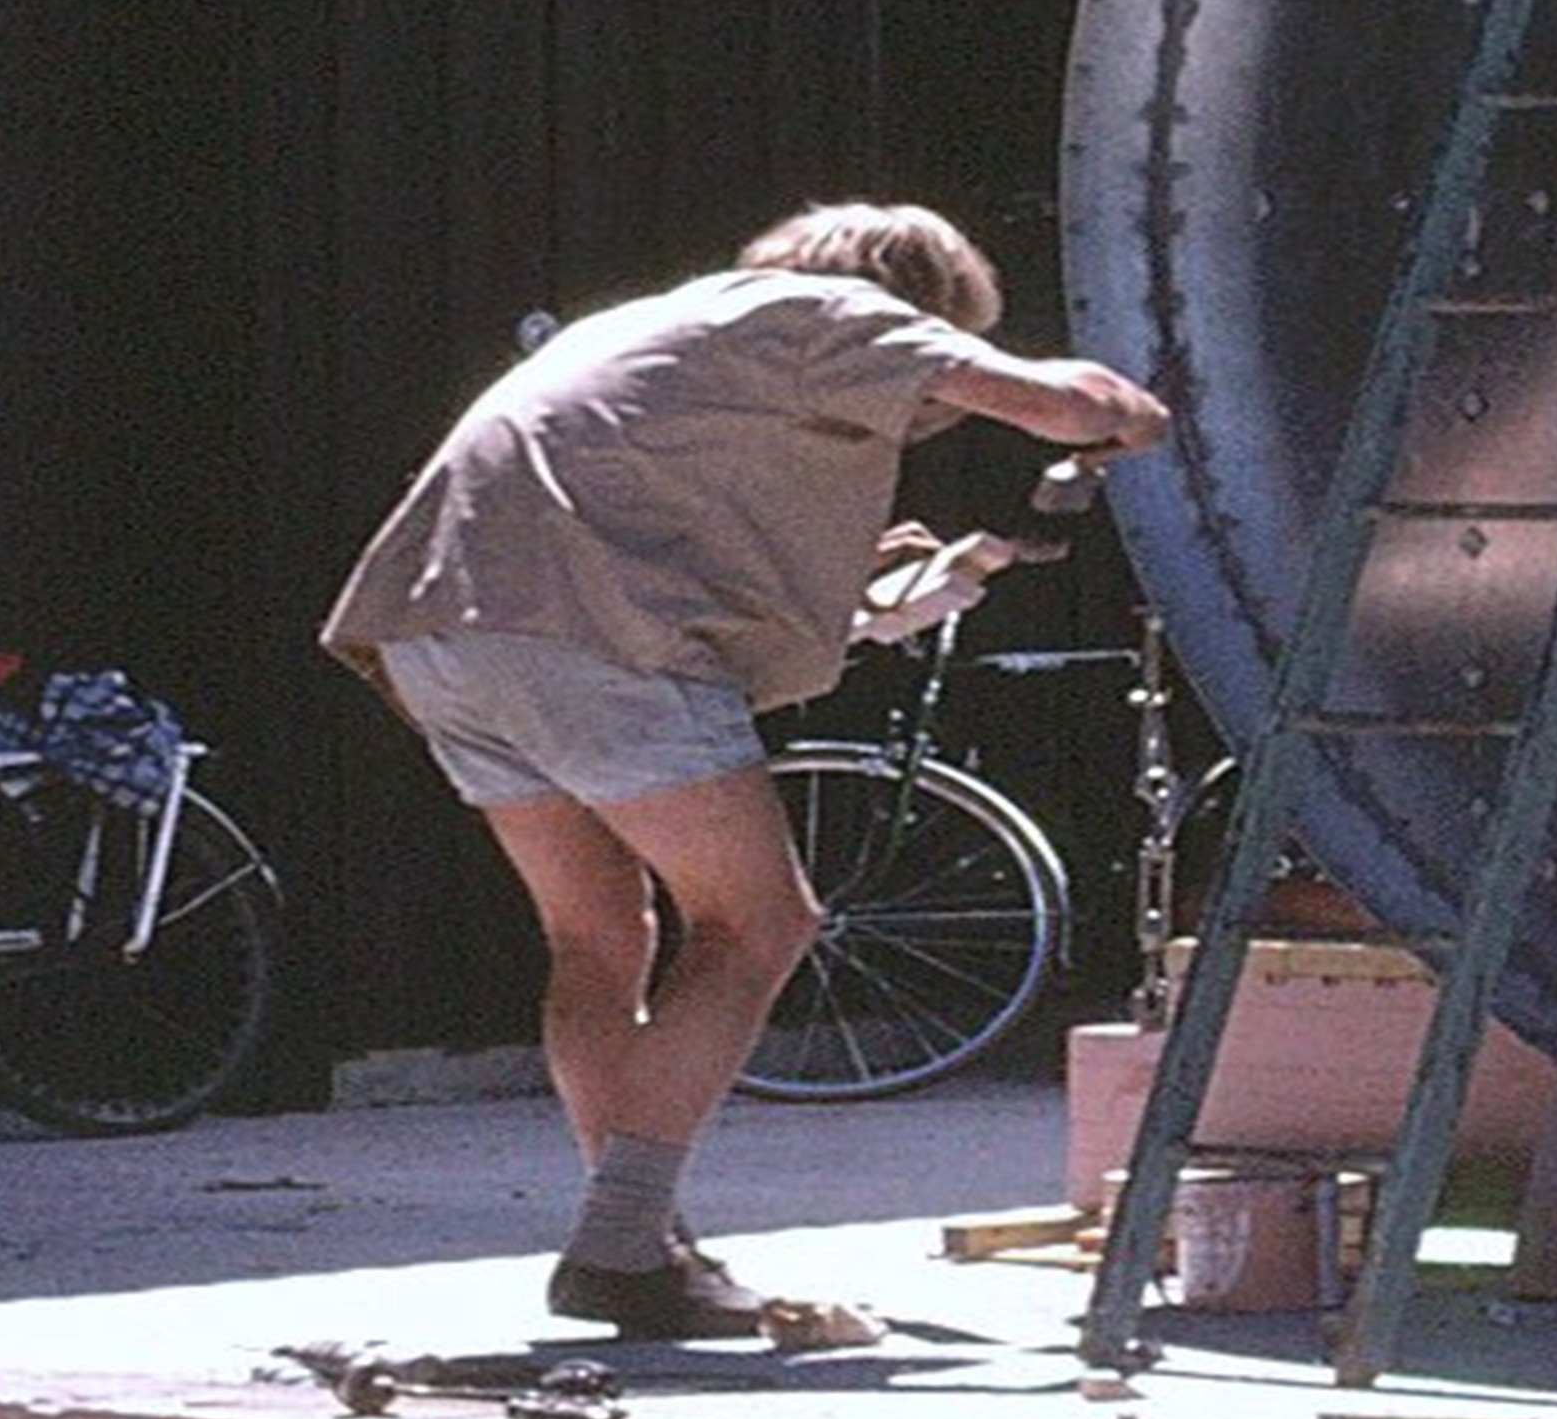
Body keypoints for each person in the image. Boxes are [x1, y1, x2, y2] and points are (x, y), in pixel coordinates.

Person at [324, 204, 1174, 1340]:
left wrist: (949, 570)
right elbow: (1066, 401)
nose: (920, 415)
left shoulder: (683, 338)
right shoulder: (837, 312)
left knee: (598, 937)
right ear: (916, 303)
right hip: (587, 634)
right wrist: (1124, 412)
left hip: (442, 626)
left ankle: (632, 1227)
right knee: (759, 921)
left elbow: (766, 581)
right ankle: (624, 1243)